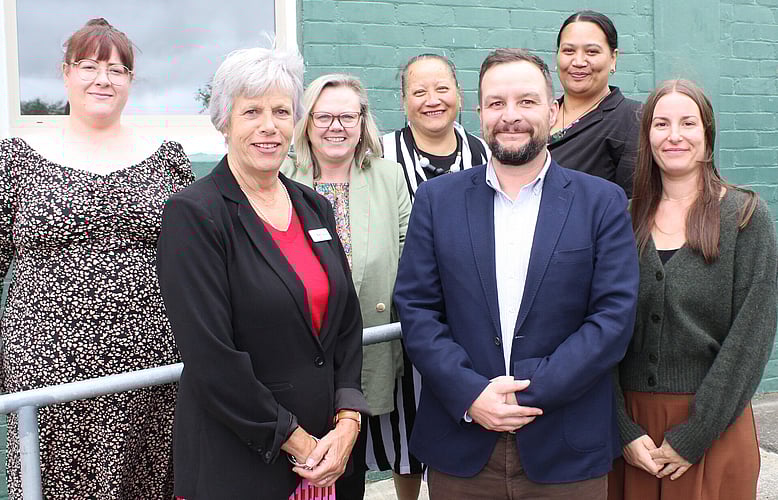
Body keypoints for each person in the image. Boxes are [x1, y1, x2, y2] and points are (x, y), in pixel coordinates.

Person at [393, 48, 640, 499]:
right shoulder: (436, 200)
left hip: (566, 447)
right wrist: (471, 394)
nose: (511, 116)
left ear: (552, 109)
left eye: (526, 102)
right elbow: (417, 309)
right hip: (462, 446)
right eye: (497, 103)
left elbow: (612, 318)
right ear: (480, 112)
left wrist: (527, 393)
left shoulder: (600, 202)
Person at [156, 47, 369, 500]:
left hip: (331, 453)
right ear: (224, 121)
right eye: (252, 111)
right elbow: (211, 357)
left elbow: (347, 323)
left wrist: (348, 420)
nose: (269, 126)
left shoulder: (314, 206)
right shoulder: (194, 214)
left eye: (281, 111)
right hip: (241, 462)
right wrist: (301, 444)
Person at [0, 18, 193, 498]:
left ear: (130, 81)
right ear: (65, 74)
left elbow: (194, 261)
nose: (102, 79)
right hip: (46, 367)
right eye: (88, 66)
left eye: (116, 69)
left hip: (152, 365)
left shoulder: (168, 157)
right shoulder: (17, 158)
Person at [608, 80, 778, 500]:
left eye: (688, 123)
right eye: (661, 124)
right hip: (633, 434)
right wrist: (621, 427)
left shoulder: (745, 217)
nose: (675, 135)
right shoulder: (621, 220)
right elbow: (598, 326)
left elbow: (751, 337)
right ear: (647, 137)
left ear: (708, 134)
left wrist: (696, 434)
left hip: (715, 424)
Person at [281, 73, 411, 499]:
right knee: (292, 464)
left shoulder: (388, 177)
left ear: (362, 122)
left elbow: (410, 252)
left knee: (347, 460)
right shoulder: (281, 173)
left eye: (346, 116)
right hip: (295, 348)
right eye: (324, 116)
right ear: (307, 122)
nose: (335, 126)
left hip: (363, 349)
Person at [373, 53, 489, 500]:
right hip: (406, 310)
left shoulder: (483, 152)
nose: (432, 100)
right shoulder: (381, 153)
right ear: (403, 101)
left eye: (442, 89)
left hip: (471, 311)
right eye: (419, 91)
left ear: (459, 95)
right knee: (406, 416)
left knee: (461, 402)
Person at [548, 10, 642, 197]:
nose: (579, 61)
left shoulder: (634, 118)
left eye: (592, 52)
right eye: (568, 51)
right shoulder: (540, 115)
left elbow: (634, 205)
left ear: (613, 58)